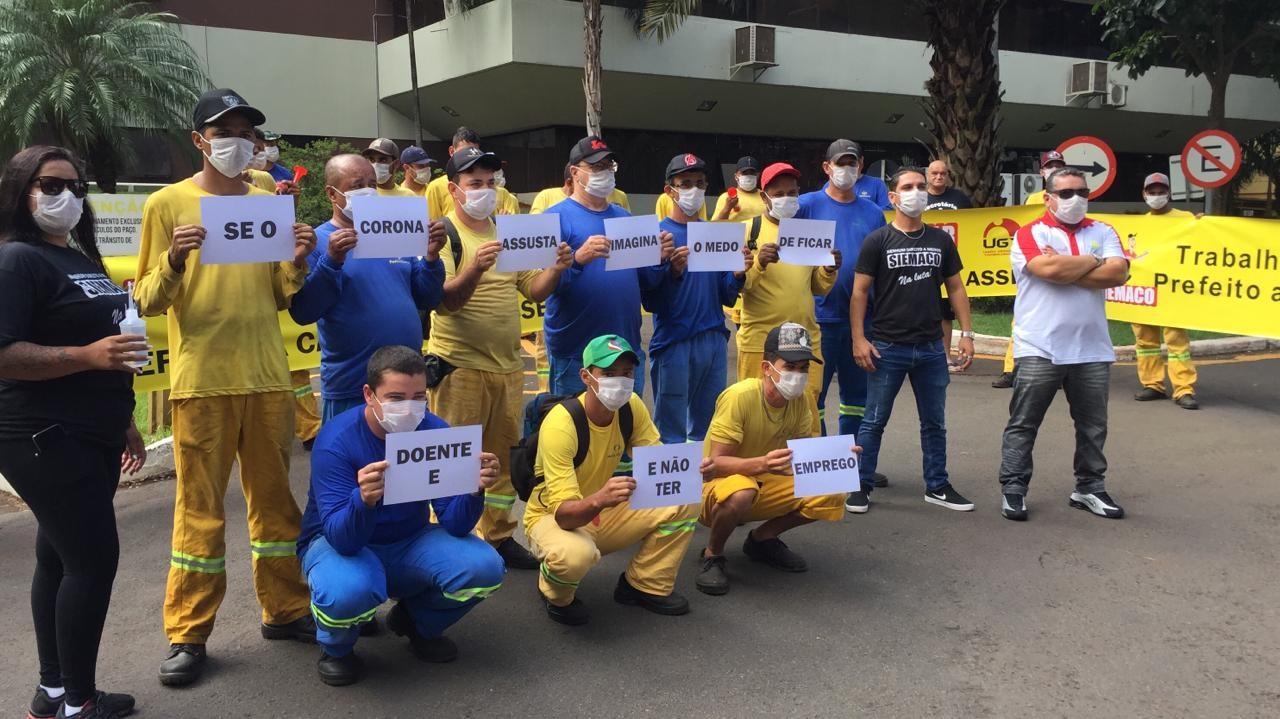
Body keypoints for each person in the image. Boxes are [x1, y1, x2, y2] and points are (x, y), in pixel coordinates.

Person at [134, 89, 318, 688]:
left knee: (276, 504)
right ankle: (188, 633)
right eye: (224, 132)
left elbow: (280, 294)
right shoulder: (167, 204)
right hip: (203, 383)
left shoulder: (268, 203)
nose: (238, 142)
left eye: (246, 132)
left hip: (267, 378)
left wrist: (298, 258)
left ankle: (285, 610)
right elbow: (146, 299)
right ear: (199, 140)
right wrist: (174, 260)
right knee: (199, 512)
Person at [0, 145, 146, 719]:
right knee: (92, 561)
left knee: (58, 558)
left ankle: (55, 692)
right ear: (22, 190)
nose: (68, 196)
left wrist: (125, 420)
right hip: (45, 434)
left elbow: (107, 347)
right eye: (52, 184)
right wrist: (86, 357)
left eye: (76, 187)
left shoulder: (78, 258)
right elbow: (4, 353)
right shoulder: (16, 260)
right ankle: (78, 702)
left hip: (94, 430)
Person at [299, 346, 506, 686]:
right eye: (395, 398)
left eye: (418, 398)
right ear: (369, 395)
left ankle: (416, 622)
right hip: (337, 543)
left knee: (484, 567)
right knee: (348, 589)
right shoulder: (336, 441)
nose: (409, 409)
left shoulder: (435, 432)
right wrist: (362, 500)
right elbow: (342, 540)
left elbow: (456, 524)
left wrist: (473, 489)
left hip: (409, 538)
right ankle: (337, 649)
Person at [429, 147, 572, 569]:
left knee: (503, 461)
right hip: (459, 367)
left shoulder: (509, 231)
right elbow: (443, 302)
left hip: (508, 367)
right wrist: (474, 268)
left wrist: (556, 268)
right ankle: (449, 538)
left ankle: (498, 535)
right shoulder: (443, 234)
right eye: (475, 183)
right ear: (454, 190)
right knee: (454, 459)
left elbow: (533, 290)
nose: (485, 191)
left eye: (490, 183)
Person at [525, 335, 696, 625]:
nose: (620, 381)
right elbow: (564, 515)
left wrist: (691, 471)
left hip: (599, 510)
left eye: (627, 373)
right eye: (608, 373)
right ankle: (553, 590)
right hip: (552, 517)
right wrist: (600, 499)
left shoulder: (631, 406)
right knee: (573, 556)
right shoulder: (561, 424)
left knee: (684, 497)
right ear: (586, 376)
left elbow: (658, 464)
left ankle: (644, 584)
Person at [998, 167, 1130, 522]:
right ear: (1048, 198)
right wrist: (1094, 261)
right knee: (1024, 422)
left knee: (1093, 426)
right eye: (1067, 193)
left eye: (1082, 192)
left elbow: (1118, 273)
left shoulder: (1104, 230)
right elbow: (1049, 271)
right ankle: (1014, 488)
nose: (1077, 199)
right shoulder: (1030, 232)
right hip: (1039, 345)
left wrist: (1067, 266)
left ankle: (1090, 488)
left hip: (1092, 348)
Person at [849, 167, 976, 514]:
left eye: (921, 186)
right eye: (908, 187)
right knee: (874, 420)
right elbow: (859, 293)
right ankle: (860, 484)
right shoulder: (877, 241)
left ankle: (937, 485)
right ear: (893, 197)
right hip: (887, 346)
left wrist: (966, 334)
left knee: (934, 423)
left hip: (932, 347)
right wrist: (859, 338)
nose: (916, 192)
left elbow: (955, 287)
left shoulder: (941, 240)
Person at [695, 323, 850, 596]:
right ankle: (713, 554)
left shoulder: (802, 400)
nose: (798, 375)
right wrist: (763, 464)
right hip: (716, 487)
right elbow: (715, 465)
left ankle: (762, 539)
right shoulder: (740, 397)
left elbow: (804, 457)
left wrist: (838, 458)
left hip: (764, 482)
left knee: (832, 489)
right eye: (789, 366)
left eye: (803, 368)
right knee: (742, 491)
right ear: (767, 368)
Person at [288, 154, 446, 420]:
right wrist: (332, 261)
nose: (368, 192)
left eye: (372, 185)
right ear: (332, 194)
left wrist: (431, 258)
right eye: (357, 185)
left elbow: (427, 298)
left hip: (407, 386)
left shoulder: (394, 234)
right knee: (350, 448)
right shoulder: (317, 242)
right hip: (351, 387)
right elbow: (304, 312)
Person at [543, 136, 676, 398]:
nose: (604, 173)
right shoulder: (554, 218)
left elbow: (646, 280)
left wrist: (660, 258)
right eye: (596, 167)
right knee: (573, 420)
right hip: (576, 352)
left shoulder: (624, 217)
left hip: (624, 350)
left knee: (626, 421)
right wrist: (578, 258)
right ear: (575, 173)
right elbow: (544, 286)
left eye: (608, 166)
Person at [645, 153, 746, 444]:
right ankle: (673, 474)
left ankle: (702, 474)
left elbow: (726, 295)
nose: (694, 190)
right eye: (686, 183)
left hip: (713, 339)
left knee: (709, 428)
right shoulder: (658, 236)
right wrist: (672, 271)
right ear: (670, 190)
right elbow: (651, 300)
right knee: (670, 430)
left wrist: (737, 275)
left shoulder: (715, 234)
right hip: (674, 341)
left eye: (700, 183)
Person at [737, 162, 838, 435]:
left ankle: (802, 463)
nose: (787, 198)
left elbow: (818, 287)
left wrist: (829, 270)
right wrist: (759, 263)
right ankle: (758, 462)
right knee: (754, 410)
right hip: (760, 340)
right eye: (779, 193)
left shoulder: (808, 233)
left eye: (792, 193)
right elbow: (738, 286)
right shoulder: (747, 231)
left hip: (805, 339)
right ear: (764, 196)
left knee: (806, 411)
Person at [799, 139, 887, 442]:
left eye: (852, 163)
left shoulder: (873, 213)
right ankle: (821, 461)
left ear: (860, 167)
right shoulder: (806, 206)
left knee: (857, 399)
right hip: (817, 319)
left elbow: (880, 266)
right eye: (841, 163)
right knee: (813, 396)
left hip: (862, 321)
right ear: (827, 167)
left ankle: (852, 461)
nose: (847, 169)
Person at [993, 150, 1068, 389]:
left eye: (1058, 165)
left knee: (1059, 321)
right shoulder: (1033, 200)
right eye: (1050, 166)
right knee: (1022, 320)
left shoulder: (1070, 199)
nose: (1054, 170)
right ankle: (1011, 369)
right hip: (1035, 265)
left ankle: (1056, 371)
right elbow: (1026, 232)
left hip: (1062, 266)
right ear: (1042, 171)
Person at [1132, 172, 1199, 410]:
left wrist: (1204, 226)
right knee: (1145, 340)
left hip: (1173, 289)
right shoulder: (1139, 224)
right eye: (1152, 192)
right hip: (1146, 289)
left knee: (1177, 340)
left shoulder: (1186, 218)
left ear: (1169, 193)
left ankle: (1184, 389)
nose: (1157, 196)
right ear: (1144, 194)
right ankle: (1152, 384)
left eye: (1161, 192)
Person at [924, 159, 973, 373]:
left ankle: (944, 356)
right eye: (934, 173)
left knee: (945, 311)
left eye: (943, 173)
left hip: (950, 260)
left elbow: (973, 225)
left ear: (948, 176)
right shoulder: (920, 197)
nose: (938, 177)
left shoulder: (959, 198)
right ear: (927, 175)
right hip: (924, 259)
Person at [425, 127, 519, 219]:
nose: (469, 157)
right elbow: (431, 222)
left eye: (475, 152)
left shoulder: (493, 190)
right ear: (452, 151)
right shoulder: (435, 187)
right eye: (475, 184)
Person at [530, 162, 631, 214]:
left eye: (609, 167)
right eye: (597, 167)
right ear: (569, 182)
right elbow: (536, 229)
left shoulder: (619, 198)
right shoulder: (546, 196)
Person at [712, 156, 766, 221]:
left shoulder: (765, 196)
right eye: (744, 173)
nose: (748, 176)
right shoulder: (726, 197)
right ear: (736, 176)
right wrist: (728, 208)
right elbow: (715, 224)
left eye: (752, 173)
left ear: (758, 175)